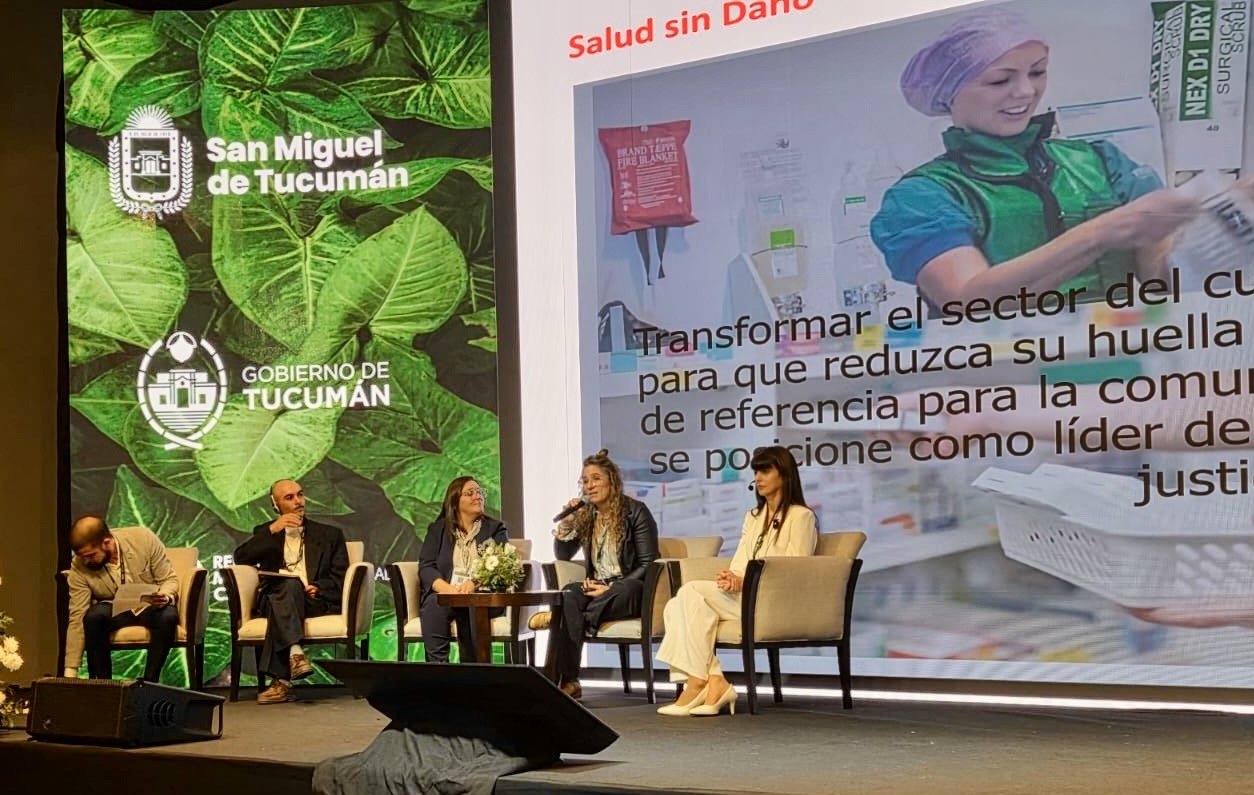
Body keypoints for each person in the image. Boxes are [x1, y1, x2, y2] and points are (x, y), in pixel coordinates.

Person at [870, 7, 1199, 314]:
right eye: (1001, 80)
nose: (1026, 91)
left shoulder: (1100, 161)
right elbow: (967, 301)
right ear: (949, 92)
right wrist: (1103, 232)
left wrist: (1215, 231)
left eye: (1038, 72)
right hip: (1006, 359)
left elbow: (1163, 281)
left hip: (1124, 350)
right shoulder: (923, 195)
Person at [655, 446, 817, 716]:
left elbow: (795, 570)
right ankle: (712, 679)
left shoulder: (801, 516)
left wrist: (746, 582)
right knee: (676, 605)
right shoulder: (753, 517)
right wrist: (733, 577)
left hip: (772, 601)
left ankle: (700, 682)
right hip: (744, 595)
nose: (758, 478)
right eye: (756, 471)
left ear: (784, 474)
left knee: (690, 591)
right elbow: (741, 560)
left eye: (765, 471)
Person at [551, 449, 660, 699]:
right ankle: (570, 680)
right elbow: (563, 555)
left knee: (622, 590)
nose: (589, 486)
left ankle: (581, 621)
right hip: (597, 587)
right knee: (569, 594)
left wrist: (610, 588)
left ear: (612, 480)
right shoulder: (587, 515)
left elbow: (648, 563)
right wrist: (569, 522)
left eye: (596, 479)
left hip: (629, 589)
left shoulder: (636, 511)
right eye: (585, 481)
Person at [234, 478, 348, 704]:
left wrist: (319, 588)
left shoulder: (330, 534)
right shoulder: (266, 532)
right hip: (274, 597)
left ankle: (282, 682)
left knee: (292, 588)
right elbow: (241, 557)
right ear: (275, 504)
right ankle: (295, 652)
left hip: (311, 600)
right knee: (288, 585)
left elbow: (341, 576)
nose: (298, 501)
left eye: (300, 495)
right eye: (289, 497)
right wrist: (272, 530)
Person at [63, 515, 180, 681]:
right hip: (113, 608)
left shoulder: (143, 539)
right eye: (82, 556)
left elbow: (169, 579)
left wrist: (165, 596)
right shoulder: (79, 565)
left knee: (168, 616)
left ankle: (149, 682)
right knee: (93, 617)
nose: (86, 561)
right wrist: (70, 671)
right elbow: (77, 616)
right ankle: (103, 683)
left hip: (148, 605)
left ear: (107, 542)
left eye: (90, 555)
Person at [418, 476, 510, 662]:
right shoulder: (438, 530)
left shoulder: (495, 529)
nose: (478, 496)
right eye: (470, 493)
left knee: (472, 603)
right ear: (455, 501)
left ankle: (475, 670)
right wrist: (447, 590)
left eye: (479, 492)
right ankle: (437, 669)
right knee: (434, 604)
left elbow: (500, 565)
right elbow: (426, 566)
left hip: (482, 595)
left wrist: (474, 583)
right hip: (449, 592)